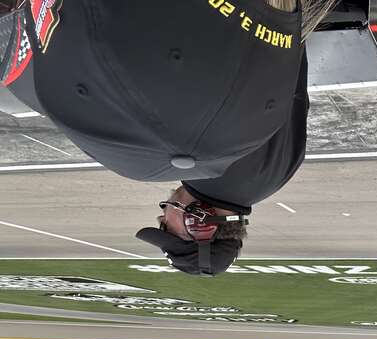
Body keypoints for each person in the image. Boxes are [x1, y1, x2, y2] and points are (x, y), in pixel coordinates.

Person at [0, 0, 337, 275]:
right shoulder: (198, 153)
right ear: (198, 224)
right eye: (166, 228)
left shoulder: (274, 177)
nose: (161, 217)